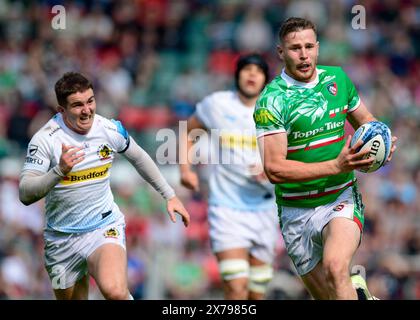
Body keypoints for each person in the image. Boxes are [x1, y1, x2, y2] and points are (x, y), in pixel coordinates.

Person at [254, 17, 397, 300]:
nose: (304, 54)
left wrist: (383, 142)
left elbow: (366, 122)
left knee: (335, 267)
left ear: (318, 48)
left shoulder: (338, 80)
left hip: (338, 197)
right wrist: (336, 164)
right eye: (295, 48)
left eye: (309, 46)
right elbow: (274, 169)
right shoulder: (271, 101)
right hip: (296, 211)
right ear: (281, 52)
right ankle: (358, 291)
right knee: (332, 296)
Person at [19, 72, 190, 300]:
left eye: (90, 101)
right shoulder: (45, 140)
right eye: (77, 105)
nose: (87, 110)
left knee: (115, 291)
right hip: (60, 239)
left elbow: (139, 157)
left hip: (102, 226)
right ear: (61, 110)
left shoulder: (108, 129)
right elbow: (25, 193)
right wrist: (59, 171)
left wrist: (169, 195)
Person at [179, 54, 279, 300]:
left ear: (266, 78)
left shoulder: (279, 110)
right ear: (237, 74)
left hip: (266, 209)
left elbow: (296, 154)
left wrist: (272, 171)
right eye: (247, 69)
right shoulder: (217, 105)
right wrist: (185, 170)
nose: (252, 74)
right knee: (236, 288)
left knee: (256, 293)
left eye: (258, 70)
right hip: (226, 209)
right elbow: (188, 133)